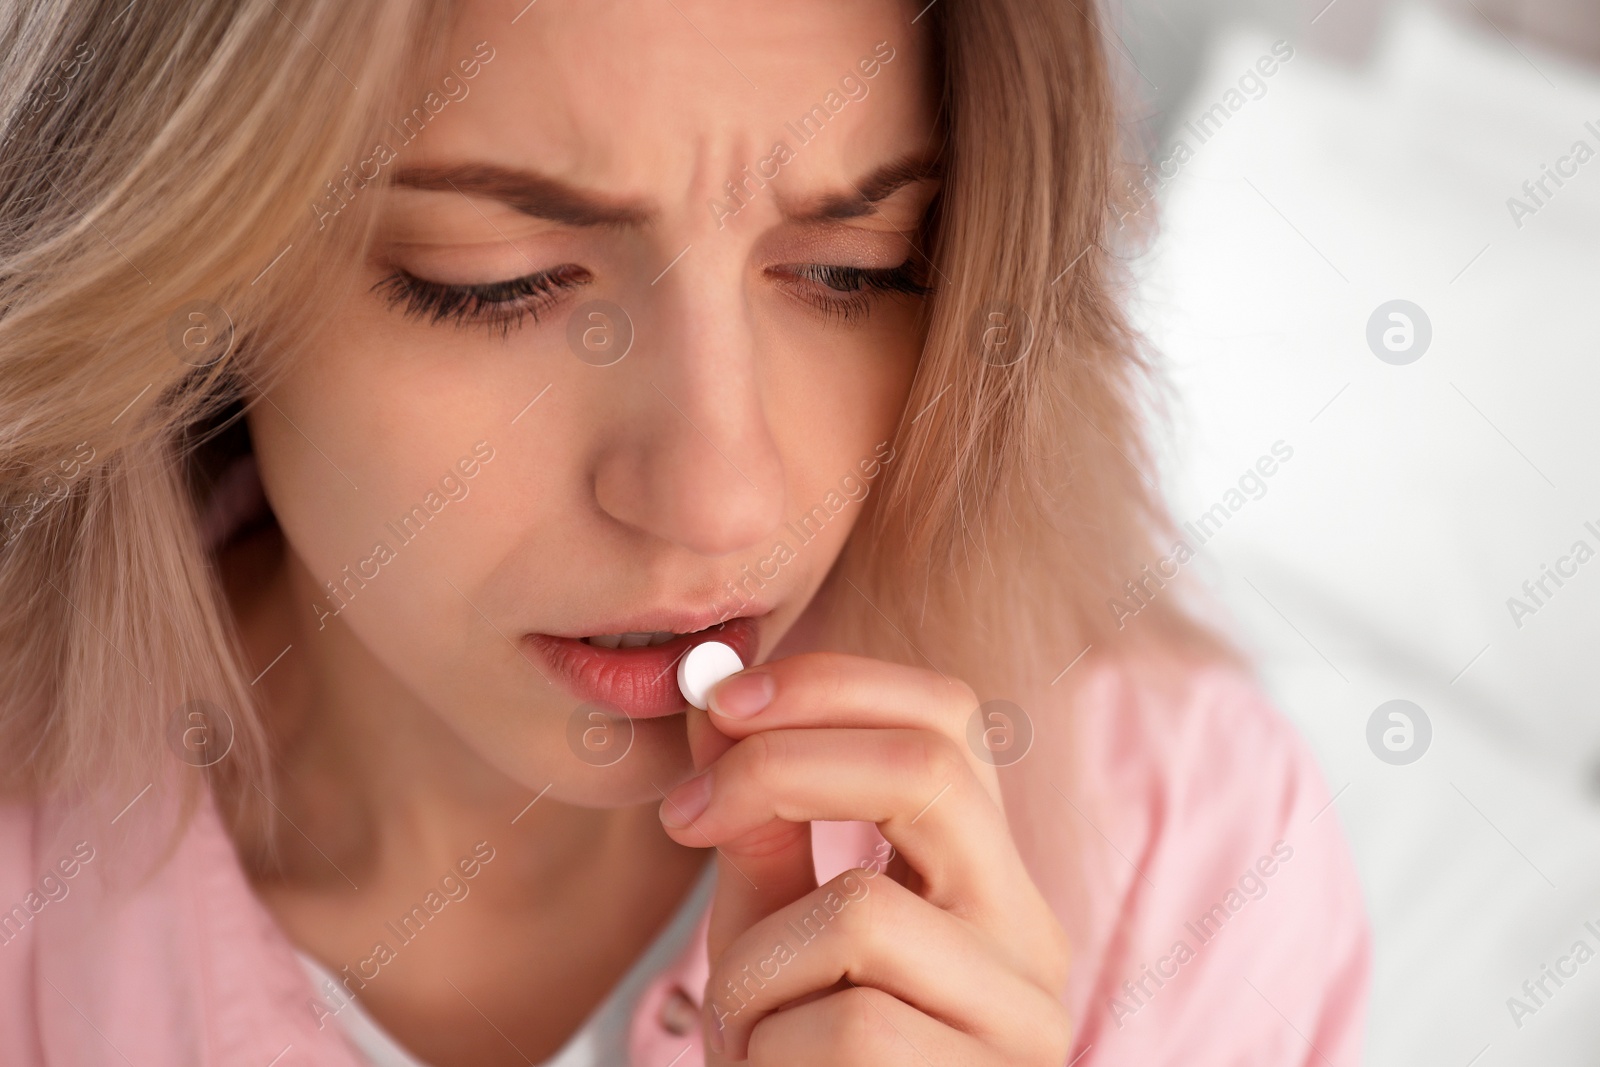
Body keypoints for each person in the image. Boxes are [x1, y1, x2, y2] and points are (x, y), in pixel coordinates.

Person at [0, 0, 1369, 1063]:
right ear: (199, 277)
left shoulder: (1190, 851)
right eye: (498, 285)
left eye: (854, 269)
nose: (725, 502)